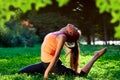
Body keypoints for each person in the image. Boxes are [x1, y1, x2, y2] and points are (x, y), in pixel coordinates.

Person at [18, 24, 107, 79]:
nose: (74, 26)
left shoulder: (62, 37)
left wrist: (46, 73)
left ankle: (96, 56)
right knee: (21, 72)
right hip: (43, 64)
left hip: (53, 65)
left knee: (80, 76)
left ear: (71, 32)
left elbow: (56, 56)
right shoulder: (59, 33)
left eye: (75, 28)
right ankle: (45, 70)